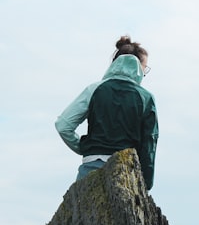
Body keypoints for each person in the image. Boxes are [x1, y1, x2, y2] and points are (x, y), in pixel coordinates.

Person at [55, 36, 159, 189]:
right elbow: (149, 143)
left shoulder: (94, 89)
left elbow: (63, 125)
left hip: (90, 168)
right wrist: (146, 184)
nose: (144, 74)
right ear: (135, 65)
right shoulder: (146, 98)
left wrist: (85, 147)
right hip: (126, 172)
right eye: (145, 68)